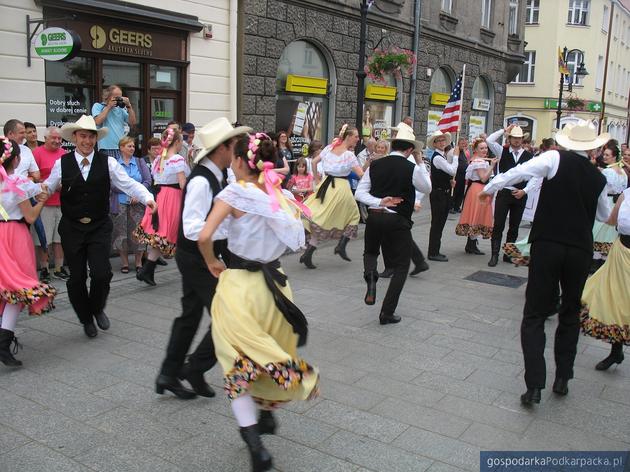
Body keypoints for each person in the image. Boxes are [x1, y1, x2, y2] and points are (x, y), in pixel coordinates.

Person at [197, 132, 319, 472]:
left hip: (240, 288)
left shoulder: (235, 193)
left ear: (238, 161)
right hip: (277, 289)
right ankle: (266, 414)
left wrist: (210, 260)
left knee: (237, 363)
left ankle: (256, 447)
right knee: (267, 351)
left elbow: (205, 235)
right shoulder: (277, 194)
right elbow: (294, 238)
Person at [479, 120, 611, 406]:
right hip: (579, 249)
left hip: (548, 243)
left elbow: (519, 171)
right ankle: (563, 376)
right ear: (591, 148)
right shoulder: (599, 177)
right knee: (570, 312)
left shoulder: (554, 157)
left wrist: (491, 186)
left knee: (535, 315)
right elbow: (603, 214)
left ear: (566, 143)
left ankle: (535, 385)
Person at [156, 117, 252, 400]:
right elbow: (194, 228)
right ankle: (194, 368)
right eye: (234, 144)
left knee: (190, 315)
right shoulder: (201, 180)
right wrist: (212, 258)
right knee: (229, 316)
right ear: (222, 148)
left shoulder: (220, 175)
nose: (238, 149)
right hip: (199, 256)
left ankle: (169, 373)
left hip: (204, 253)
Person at [43, 115, 156, 338]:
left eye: (91, 136)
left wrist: (147, 198)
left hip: (98, 226)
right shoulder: (62, 164)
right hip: (72, 228)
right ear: (75, 137)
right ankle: (86, 318)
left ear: (96, 139)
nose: (87, 141)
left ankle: (97, 308)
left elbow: (128, 183)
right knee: (76, 278)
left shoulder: (109, 162)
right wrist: (22, 190)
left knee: (102, 273)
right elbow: (47, 187)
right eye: (83, 136)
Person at [356, 125, 432, 324]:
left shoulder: (375, 165)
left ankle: (371, 277)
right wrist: (419, 161)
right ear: (409, 150)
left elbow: (359, 193)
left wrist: (379, 201)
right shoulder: (412, 167)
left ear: (393, 146)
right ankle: (386, 312)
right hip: (398, 220)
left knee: (371, 252)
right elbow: (427, 188)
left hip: (375, 216)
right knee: (401, 266)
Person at [0, 137, 55, 367]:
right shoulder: (17, 183)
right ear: (17, 159)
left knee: (5, 288)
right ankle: (3, 342)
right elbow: (31, 216)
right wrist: (42, 200)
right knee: (20, 288)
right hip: (15, 236)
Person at [301, 125, 363, 268]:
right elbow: (360, 174)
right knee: (354, 215)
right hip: (340, 187)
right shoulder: (348, 155)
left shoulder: (329, 148)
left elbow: (314, 162)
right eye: (356, 136)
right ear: (348, 137)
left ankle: (309, 252)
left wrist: (317, 179)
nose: (358, 139)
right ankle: (341, 245)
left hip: (325, 185)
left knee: (322, 218)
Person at [580, 188, 629, 371]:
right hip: (621, 252)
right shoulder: (627, 194)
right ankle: (616, 351)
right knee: (615, 299)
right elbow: (611, 220)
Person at [135, 128, 190, 286]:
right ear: (178, 142)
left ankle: (147, 271)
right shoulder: (177, 159)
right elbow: (182, 183)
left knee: (162, 235)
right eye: (181, 142)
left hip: (159, 196)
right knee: (166, 234)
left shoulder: (160, 158)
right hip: (172, 197)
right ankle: (148, 271)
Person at [485, 125, 534, 267]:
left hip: (520, 194)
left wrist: (524, 191)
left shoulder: (529, 155)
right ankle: (494, 254)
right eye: (514, 138)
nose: (517, 141)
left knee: (514, 226)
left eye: (519, 138)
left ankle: (509, 254)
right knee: (499, 224)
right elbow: (489, 140)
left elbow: (533, 177)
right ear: (510, 138)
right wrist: (503, 131)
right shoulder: (502, 150)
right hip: (505, 192)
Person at [32, 127, 69, 281]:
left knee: (60, 239)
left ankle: (59, 268)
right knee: (43, 239)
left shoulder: (65, 154)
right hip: (44, 203)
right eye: (53, 138)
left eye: (59, 138)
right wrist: (47, 185)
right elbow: (31, 178)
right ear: (46, 138)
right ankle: (45, 269)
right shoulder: (37, 153)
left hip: (62, 202)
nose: (57, 141)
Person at [110, 137, 151, 273]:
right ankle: (125, 263)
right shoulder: (115, 164)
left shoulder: (139, 162)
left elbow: (147, 180)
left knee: (138, 232)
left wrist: (137, 194)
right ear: (121, 148)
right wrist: (128, 190)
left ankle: (138, 262)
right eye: (129, 146)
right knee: (121, 233)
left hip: (137, 203)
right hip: (120, 203)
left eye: (133, 146)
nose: (132, 148)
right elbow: (111, 184)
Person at [455, 139, 496, 255]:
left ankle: (471, 244)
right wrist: (492, 166)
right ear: (475, 150)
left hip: (477, 189)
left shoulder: (479, 160)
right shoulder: (479, 162)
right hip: (478, 189)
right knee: (477, 215)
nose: (484, 150)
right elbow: (483, 178)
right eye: (481, 148)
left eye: (486, 148)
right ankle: (471, 244)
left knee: (476, 215)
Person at [592, 146, 627, 263]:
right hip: (616, 205)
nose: (604, 157)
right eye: (604, 154)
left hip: (606, 203)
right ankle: (604, 259)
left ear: (614, 156)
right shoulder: (623, 172)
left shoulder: (607, 171)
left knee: (598, 230)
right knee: (609, 232)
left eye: (607, 155)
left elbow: (601, 189)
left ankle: (595, 260)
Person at [426, 130, 457, 262]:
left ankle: (435, 250)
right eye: (439, 141)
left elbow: (447, 173)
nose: (442, 143)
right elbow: (452, 170)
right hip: (438, 194)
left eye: (443, 140)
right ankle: (433, 252)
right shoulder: (438, 157)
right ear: (434, 143)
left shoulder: (441, 156)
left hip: (443, 192)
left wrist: (449, 181)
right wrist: (455, 157)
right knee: (437, 223)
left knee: (440, 223)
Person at [91, 85, 137, 157]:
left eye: (120, 97)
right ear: (108, 96)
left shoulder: (121, 109)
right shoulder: (98, 106)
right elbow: (97, 121)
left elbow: (132, 122)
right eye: (116, 97)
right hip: (106, 148)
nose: (119, 100)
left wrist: (129, 106)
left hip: (121, 148)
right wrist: (109, 106)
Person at [451, 137, 470, 213]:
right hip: (457, 175)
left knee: (461, 192)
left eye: (465, 144)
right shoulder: (456, 151)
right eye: (462, 144)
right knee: (455, 191)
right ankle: (451, 206)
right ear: (458, 144)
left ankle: (457, 206)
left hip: (463, 176)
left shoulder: (464, 152)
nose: (464, 145)